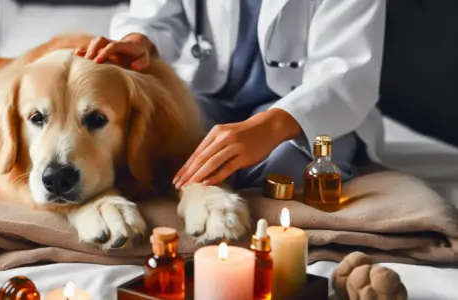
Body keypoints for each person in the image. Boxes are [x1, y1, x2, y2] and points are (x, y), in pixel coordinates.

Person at [76, 0, 387, 190]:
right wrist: (139, 42)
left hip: (308, 109)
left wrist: (269, 127)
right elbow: (156, 16)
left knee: (286, 173)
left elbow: (346, 71)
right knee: (155, 149)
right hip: (213, 96)